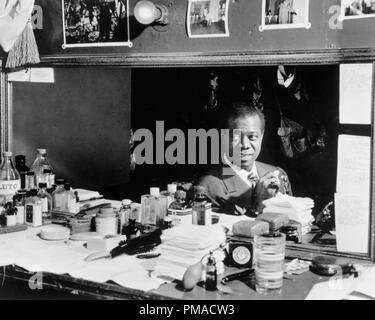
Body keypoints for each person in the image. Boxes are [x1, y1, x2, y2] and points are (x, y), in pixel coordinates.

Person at [198, 101, 292, 216]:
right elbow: (205, 232)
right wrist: (257, 205)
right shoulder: (208, 187)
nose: (245, 145)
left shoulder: (278, 174)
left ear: (261, 137)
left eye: (252, 137)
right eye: (236, 137)